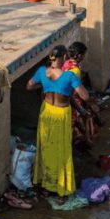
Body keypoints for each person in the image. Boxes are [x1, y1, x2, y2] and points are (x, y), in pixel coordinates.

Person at [27, 45, 90, 200]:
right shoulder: (69, 76)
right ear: (63, 58)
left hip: (46, 112)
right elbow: (85, 96)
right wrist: (73, 87)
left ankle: (46, 187)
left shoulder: (42, 71)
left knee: (46, 149)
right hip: (61, 114)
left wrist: (44, 84)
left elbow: (29, 86)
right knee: (62, 152)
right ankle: (61, 191)